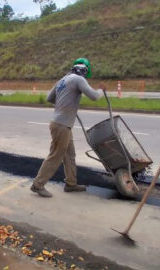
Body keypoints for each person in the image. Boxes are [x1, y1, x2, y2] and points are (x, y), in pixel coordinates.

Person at [30, 58, 106, 198]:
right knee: (56, 155)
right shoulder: (78, 79)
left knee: (70, 155)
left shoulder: (63, 80)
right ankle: (38, 185)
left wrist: (64, 105)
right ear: (85, 70)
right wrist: (101, 89)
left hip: (61, 123)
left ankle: (71, 184)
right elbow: (94, 96)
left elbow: (49, 98)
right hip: (62, 125)